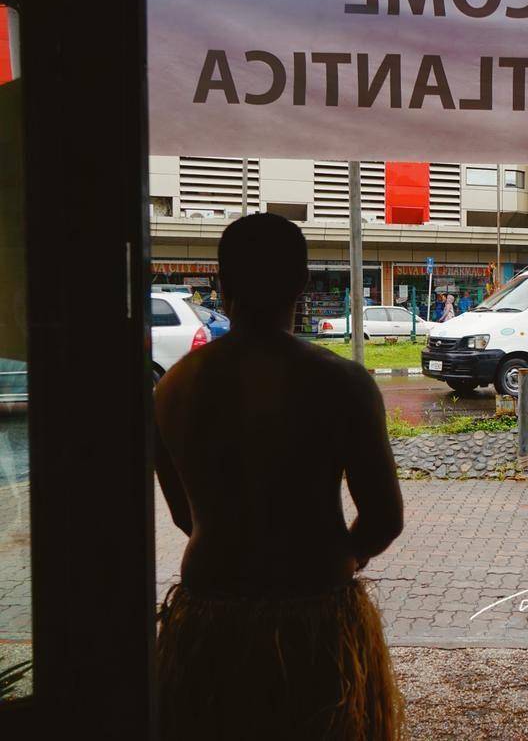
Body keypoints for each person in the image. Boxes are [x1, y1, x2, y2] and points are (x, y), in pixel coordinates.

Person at [153, 214, 405, 740]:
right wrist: (346, 555)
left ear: (221, 283)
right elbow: (383, 518)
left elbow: (183, 515)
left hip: (209, 612)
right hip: (316, 609)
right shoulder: (342, 382)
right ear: (302, 282)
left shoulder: (174, 387)